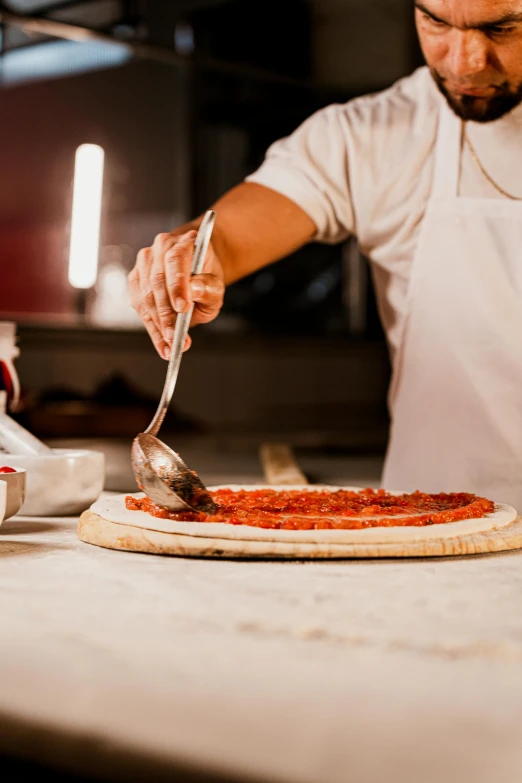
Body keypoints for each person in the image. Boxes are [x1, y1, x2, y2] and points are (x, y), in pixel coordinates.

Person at [128, 0, 522, 507]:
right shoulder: (372, 135)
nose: (464, 61)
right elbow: (224, 238)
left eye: (503, 28)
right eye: (436, 21)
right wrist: (187, 259)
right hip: (430, 528)